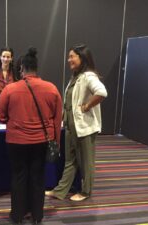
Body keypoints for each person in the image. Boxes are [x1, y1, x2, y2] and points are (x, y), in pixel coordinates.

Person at [0, 47, 62, 224]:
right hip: (41, 141)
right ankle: (37, 216)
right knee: (37, 177)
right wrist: (56, 143)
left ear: (21, 68)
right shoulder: (52, 89)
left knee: (18, 177)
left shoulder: (10, 89)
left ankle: (17, 215)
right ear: (36, 68)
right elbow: (57, 120)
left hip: (16, 141)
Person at [45, 44, 107, 202]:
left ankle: (86, 192)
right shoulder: (76, 77)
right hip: (71, 126)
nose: (69, 59)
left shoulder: (88, 76)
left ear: (82, 58)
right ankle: (60, 191)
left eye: (72, 56)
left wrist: (87, 106)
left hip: (85, 127)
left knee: (86, 162)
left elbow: (101, 92)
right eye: (69, 56)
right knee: (70, 160)